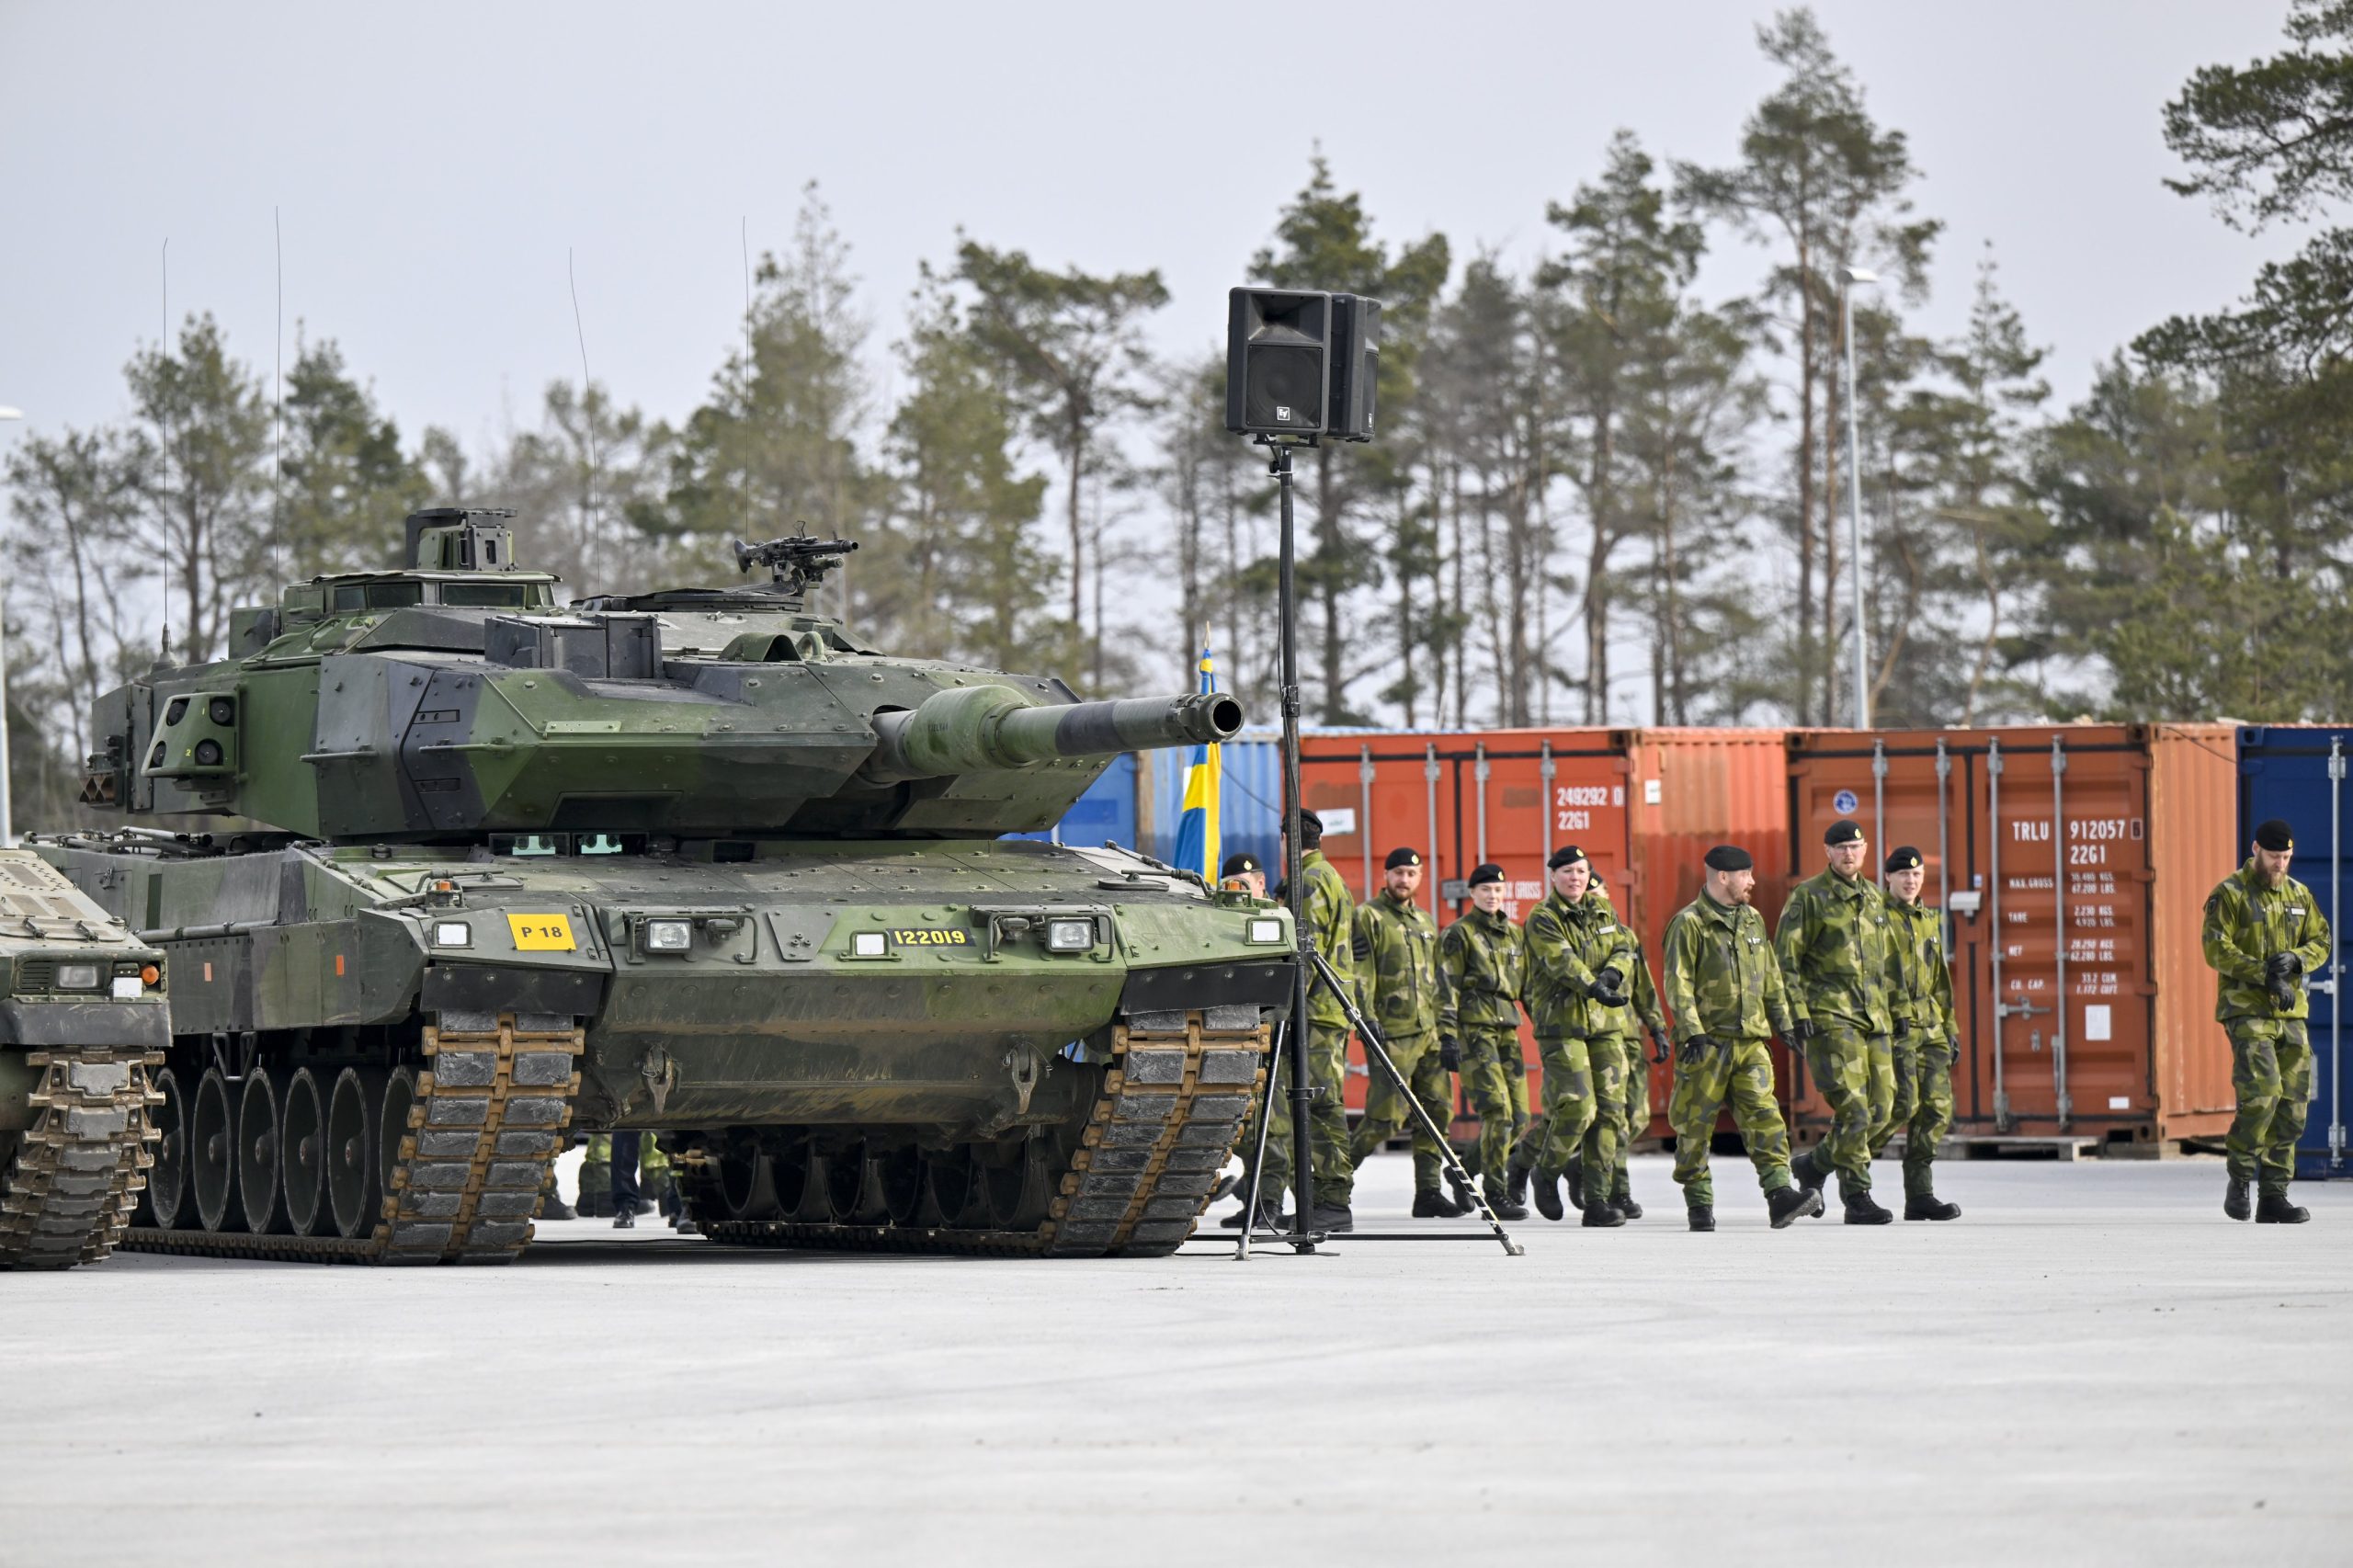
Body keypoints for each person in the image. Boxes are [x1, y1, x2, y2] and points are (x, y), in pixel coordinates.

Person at [1660, 845, 1823, 1232]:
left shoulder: (1751, 919)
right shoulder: (1689, 923)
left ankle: (1780, 1195)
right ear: (1723, 877)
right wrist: (1693, 1031)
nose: (1751, 882)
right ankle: (1699, 1203)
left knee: (1766, 1119)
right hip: (1706, 1044)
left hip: (1750, 1042)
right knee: (1694, 1128)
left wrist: (1784, 1022)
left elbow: (1770, 976)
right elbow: (1677, 984)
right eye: (1745, 875)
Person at [1225, 809, 1358, 1231]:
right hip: (1323, 1012)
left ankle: (1333, 1201)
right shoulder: (1330, 877)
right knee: (1309, 1106)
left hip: (1314, 1014)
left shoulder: (1311, 882)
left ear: (1287, 841)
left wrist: (1284, 1008)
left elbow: (1307, 954)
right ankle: (1315, 1199)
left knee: (1319, 1106)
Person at [2202, 818, 2328, 1223]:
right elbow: (2215, 949)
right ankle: (2239, 1178)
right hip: (2247, 1010)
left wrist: (2297, 960)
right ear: (2256, 849)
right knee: (2263, 1094)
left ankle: (2274, 1196)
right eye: (2275, 856)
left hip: (2291, 1013)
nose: (2280, 864)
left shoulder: (2299, 895)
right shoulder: (2230, 894)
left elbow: (2321, 940)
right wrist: (2263, 972)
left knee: (2292, 1105)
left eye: (2287, 857)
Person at [1776, 818, 1897, 1224]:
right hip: (1830, 1016)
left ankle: (1815, 1165)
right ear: (1827, 851)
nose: (1849, 854)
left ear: (1865, 850)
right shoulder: (1808, 897)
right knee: (1856, 1109)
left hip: (1874, 1017)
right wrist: (1797, 1012)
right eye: (1841, 847)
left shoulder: (1875, 898)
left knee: (1883, 1109)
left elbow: (1886, 963)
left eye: (1856, 847)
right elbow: (1785, 962)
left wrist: (1897, 1012)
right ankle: (1857, 1197)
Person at [1347, 846, 1464, 1218]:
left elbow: (1438, 981)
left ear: (1420, 878)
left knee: (1436, 1112)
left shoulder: (1426, 923)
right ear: (1386, 876)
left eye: (1411, 874)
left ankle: (1428, 1193)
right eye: (1397, 873)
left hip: (1428, 1033)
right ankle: (1329, 1188)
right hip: (1391, 1035)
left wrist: (1447, 1032)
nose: (1404, 880)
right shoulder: (1369, 917)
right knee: (1385, 1117)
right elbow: (1360, 971)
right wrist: (1364, 1017)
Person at [1513, 845, 1625, 1227]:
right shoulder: (1543, 917)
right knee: (1579, 1107)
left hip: (1605, 1025)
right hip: (1562, 1026)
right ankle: (1545, 1171)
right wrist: (1595, 985)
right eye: (1567, 872)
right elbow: (1560, 961)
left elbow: (1624, 946)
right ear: (1553, 877)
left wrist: (1614, 974)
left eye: (1581, 871)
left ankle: (1596, 1201)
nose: (1575, 878)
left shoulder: (1602, 909)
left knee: (1610, 1113)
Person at [1438, 861, 1531, 1221]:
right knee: (1498, 1112)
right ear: (1472, 894)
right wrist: (1447, 1036)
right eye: (1485, 890)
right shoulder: (1458, 934)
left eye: (1497, 890)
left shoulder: (1514, 934)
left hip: (1507, 1029)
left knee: (1520, 1115)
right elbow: (1446, 988)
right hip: (1474, 1031)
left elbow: (1527, 988)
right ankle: (1494, 1192)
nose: (1492, 896)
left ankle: (1460, 1172)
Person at [1874, 846, 1961, 1221]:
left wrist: (1951, 1027)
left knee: (1936, 1111)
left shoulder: (1928, 919)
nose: (1911, 881)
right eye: (1903, 875)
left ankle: (1919, 1194)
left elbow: (1940, 979)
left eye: (1917, 875)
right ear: (1888, 879)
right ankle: (1835, 1164)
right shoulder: (1876, 920)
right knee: (1898, 1108)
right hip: (1897, 1029)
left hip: (1932, 1028)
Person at [1586, 873, 1668, 1222]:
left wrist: (1658, 1028)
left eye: (1598, 891)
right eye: (1587, 893)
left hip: (1629, 1036)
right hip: (1600, 1037)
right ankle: (1617, 1190)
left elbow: (1644, 988)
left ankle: (1590, 1167)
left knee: (1637, 1116)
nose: (1594, 897)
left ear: (1608, 894)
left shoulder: (1626, 937)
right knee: (1612, 1116)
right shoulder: (1581, 938)